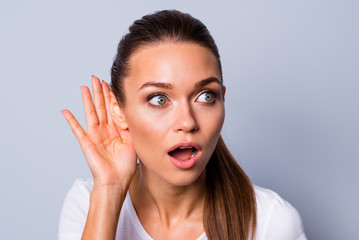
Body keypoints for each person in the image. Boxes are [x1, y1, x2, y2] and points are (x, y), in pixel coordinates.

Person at [58, 10, 307, 240]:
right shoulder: (88, 203)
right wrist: (109, 190)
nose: (187, 122)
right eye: (159, 99)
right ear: (118, 110)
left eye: (206, 96)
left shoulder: (270, 222)